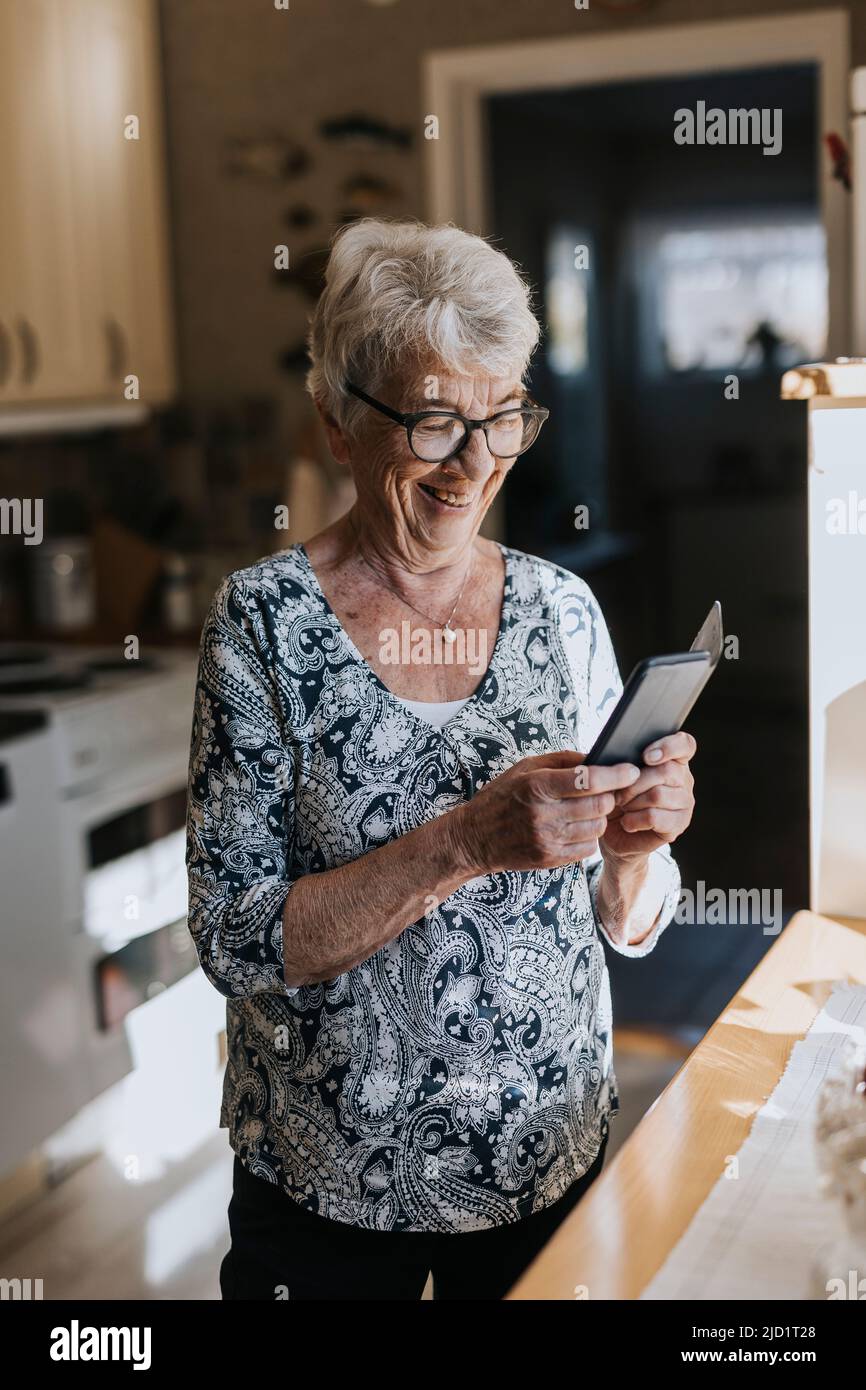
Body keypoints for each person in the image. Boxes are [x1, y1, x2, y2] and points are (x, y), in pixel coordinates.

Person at [185, 219, 696, 1300]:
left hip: (543, 1157)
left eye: (502, 415)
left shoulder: (561, 611)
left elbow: (625, 917)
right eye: (432, 423)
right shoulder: (261, 626)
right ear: (338, 424)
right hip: (326, 1188)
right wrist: (462, 839)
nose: (476, 464)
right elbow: (234, 935)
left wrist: (634, 850)